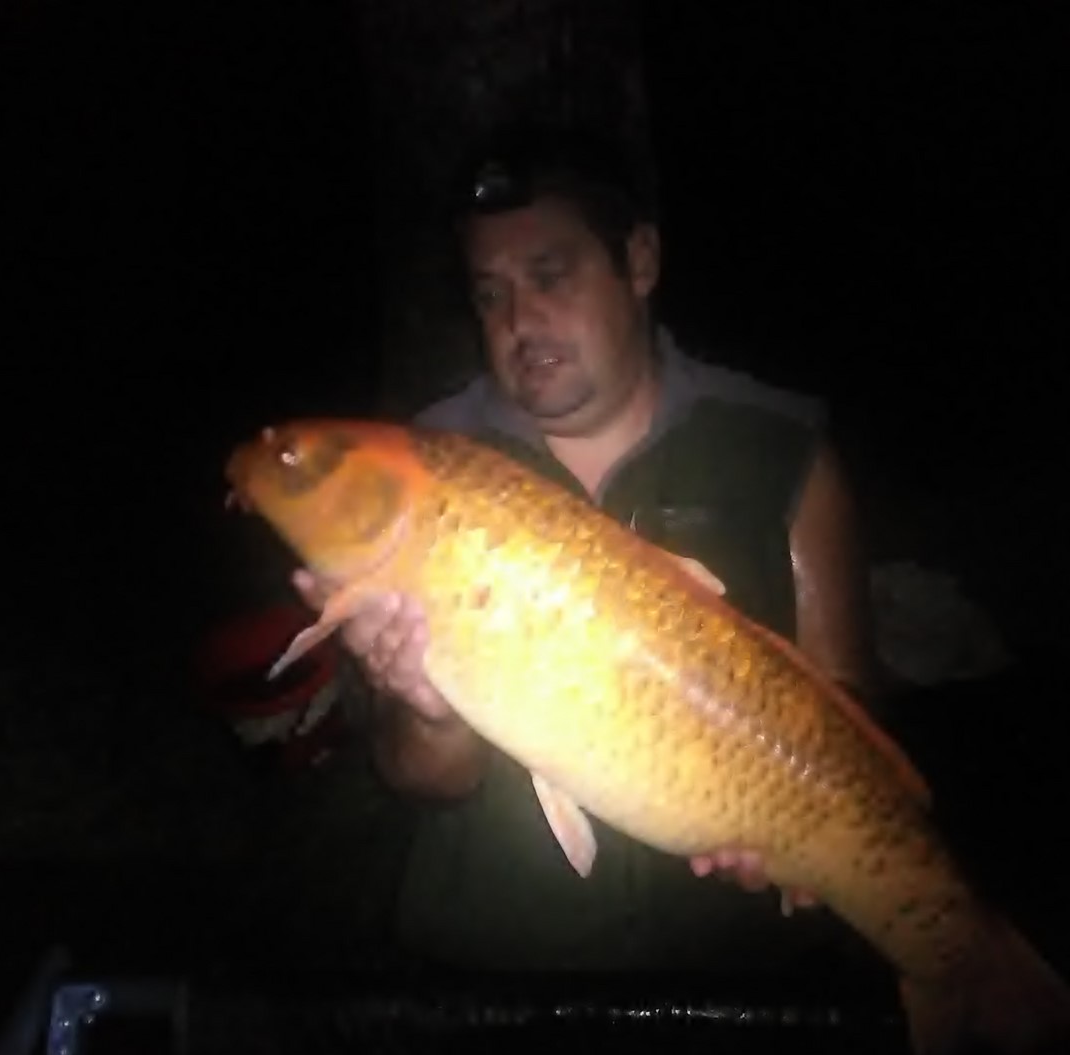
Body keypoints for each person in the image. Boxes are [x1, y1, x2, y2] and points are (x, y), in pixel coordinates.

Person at [295, 127, 877, 973]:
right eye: (490, 294)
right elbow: (418, 778)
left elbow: (851, 705)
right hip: (496, 958)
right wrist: (430, 712)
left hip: (730, 959)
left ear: (639, 261)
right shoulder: (420, 474)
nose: (519, 321)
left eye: (550, 275)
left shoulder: (782, 453)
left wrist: (797, 824)